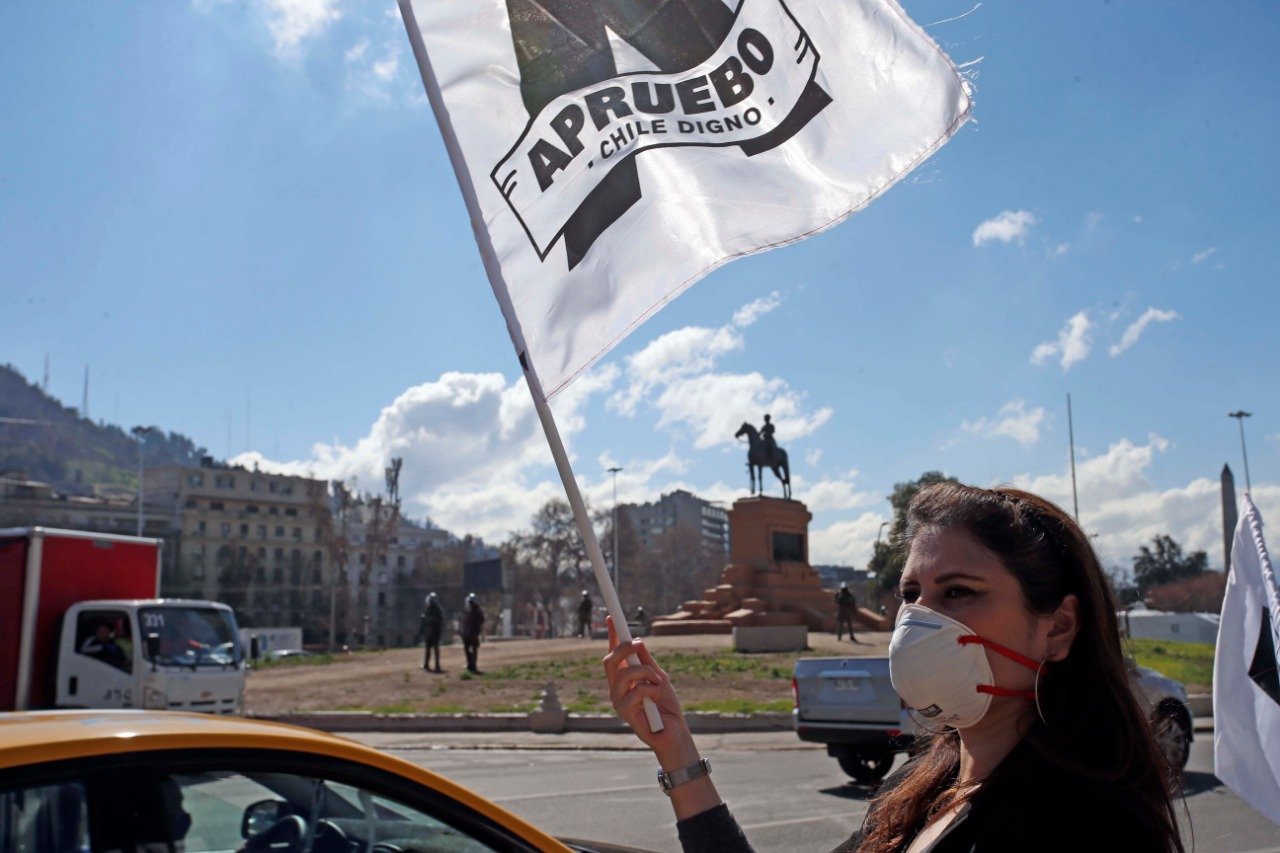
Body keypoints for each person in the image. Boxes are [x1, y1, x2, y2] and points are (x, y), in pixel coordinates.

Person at [603, 482, 1185, 852]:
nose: (920, 619)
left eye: (958, 592)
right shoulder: (917, 785)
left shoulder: (1091, 826)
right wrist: (676, 750)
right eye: (912, 593)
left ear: (1057, 627)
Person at [418, 592, 444, 672]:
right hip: (432, 631)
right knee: (431, 648)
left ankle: (433, 665)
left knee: (431, 648)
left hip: (433, 631)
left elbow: (438, 621)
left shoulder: (435, 610)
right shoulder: (433, 609)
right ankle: (431, 665)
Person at [460, 593, 484, 674]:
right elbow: (464, 621)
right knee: (467, 648)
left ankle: (473, 665)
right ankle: (470, 664)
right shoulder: (468, 611)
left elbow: (481, 620)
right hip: (468, 632)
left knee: (473, 649)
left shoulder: (477, 611)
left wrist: (475, 627)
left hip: (473, 632)